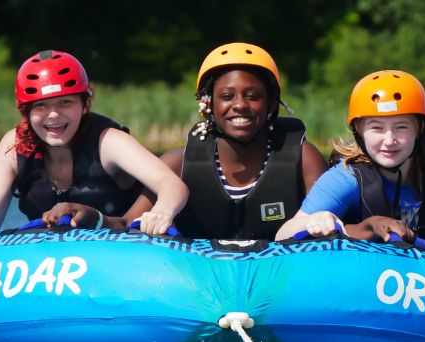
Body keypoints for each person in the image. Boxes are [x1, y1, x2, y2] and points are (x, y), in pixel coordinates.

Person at [0, 49, 188, 235]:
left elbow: (171, 184)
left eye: (65, 103)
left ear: (85, 106)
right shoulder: (14, 146)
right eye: (41, 106)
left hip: (120, 253)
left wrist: (162, 211)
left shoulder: (109, 142)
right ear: (25, 112)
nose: (53, 115)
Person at [275, 70, 425, 256]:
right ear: (358, 131)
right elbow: (282, 234)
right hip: (363, 271)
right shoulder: (346, 177)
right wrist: (315, 221)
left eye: (401, 127)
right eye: (376, 128)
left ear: (419, 129)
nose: (389, 141)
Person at [123, 42, 328, 240]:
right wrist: (94, 217)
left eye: (253, 96)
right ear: (208, 104)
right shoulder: (177, 163)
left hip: (280, 273)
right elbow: (125, 226)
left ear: (272, 103)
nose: (239, 105)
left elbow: (326, 224)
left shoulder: (304, 159)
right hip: (196, 274)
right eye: (227, 96)